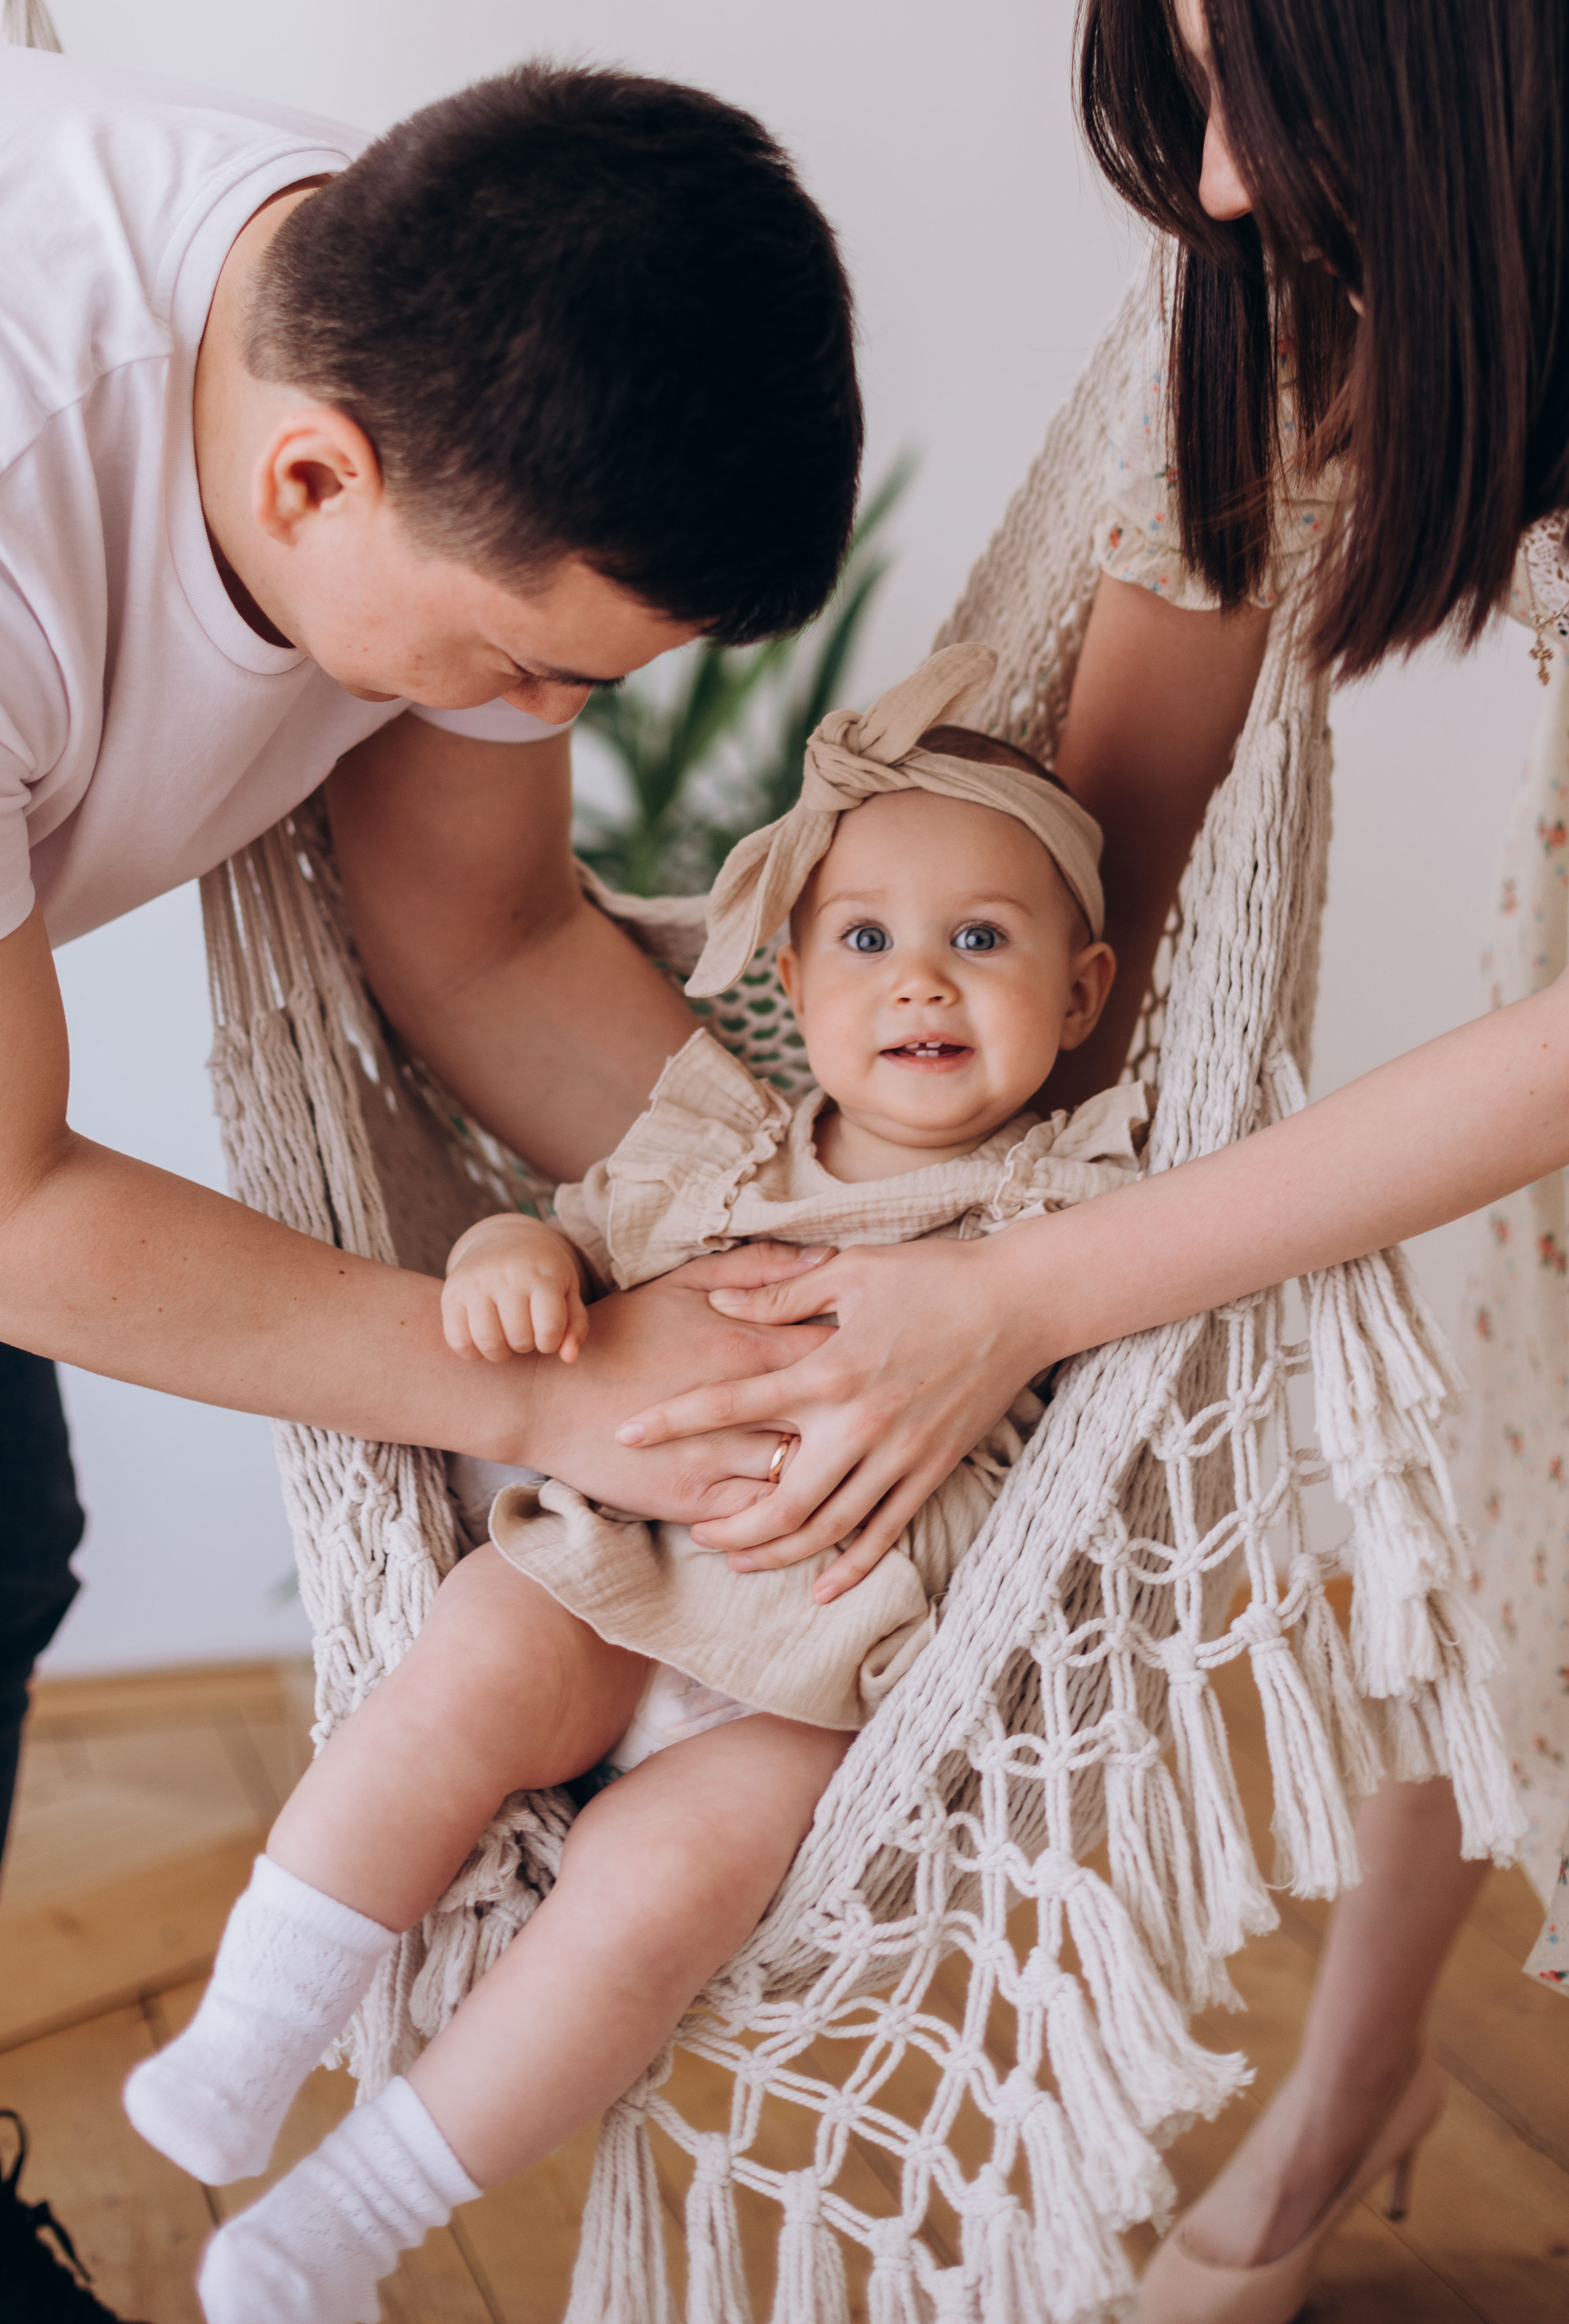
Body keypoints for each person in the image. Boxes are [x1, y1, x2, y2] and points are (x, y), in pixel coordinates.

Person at [604, 0, 1569, 2309]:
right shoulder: (1305, 281)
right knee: (1527, 1519)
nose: (1219, 175)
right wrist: (853, 1199)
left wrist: (1022, 1297)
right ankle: (1356, 2079)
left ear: (1516, 59)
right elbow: (1117, 820)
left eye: (1278, 91)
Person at [119, 646, 1141, 2323]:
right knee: (465, 1666)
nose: (921, 986)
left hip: (811, 1685)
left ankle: (351, 2215)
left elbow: (1147, 1356)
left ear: (1084, 995)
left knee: (653, 1906)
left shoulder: (1076, 1204)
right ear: (794, 982)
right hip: (616, 1577)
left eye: (983, 941)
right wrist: (512, 1263)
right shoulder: (716, 1143)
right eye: (868, 941)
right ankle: (248, 2033)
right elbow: (565, 1236)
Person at [0, 41, 866, 1885]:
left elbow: (488, 940)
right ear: (316, 483)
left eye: (588, 684)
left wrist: (814, 1245)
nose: (537, 717)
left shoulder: (433, 343)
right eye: (519, 666)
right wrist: (556, 1398)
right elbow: (8, 1210)